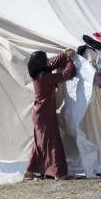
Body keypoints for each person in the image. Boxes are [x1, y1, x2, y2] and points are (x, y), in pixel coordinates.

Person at [25, 48, 77, 181]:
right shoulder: (44, 77)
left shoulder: (38, 74)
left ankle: (30, 171)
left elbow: (51, 64)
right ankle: (58, 174)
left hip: (39, 113)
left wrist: (63, 55)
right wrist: (70, 61)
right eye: (45, 59)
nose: (48, 61)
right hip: (45, 114)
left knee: (39, 144)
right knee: (53, 142)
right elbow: (65, 75)